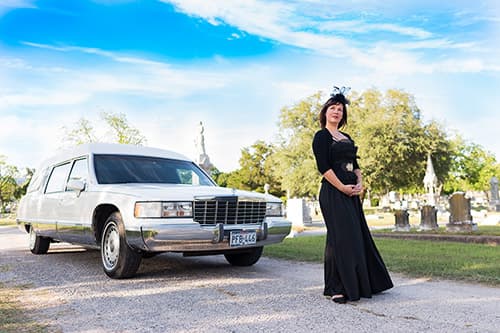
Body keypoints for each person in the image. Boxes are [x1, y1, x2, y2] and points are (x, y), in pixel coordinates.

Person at [312, 87, 393, 304]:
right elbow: (324, 168)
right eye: (333, 108)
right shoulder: (321, 136)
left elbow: (355, 165)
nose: (336, 112)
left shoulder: (346, 137)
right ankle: (337, 287)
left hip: (351, 192)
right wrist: (342, 187)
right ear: (325, 112)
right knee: (341, 239)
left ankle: (365, 282)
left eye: (340, 109)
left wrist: (360, 182)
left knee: (357, 236)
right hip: (333, 192)